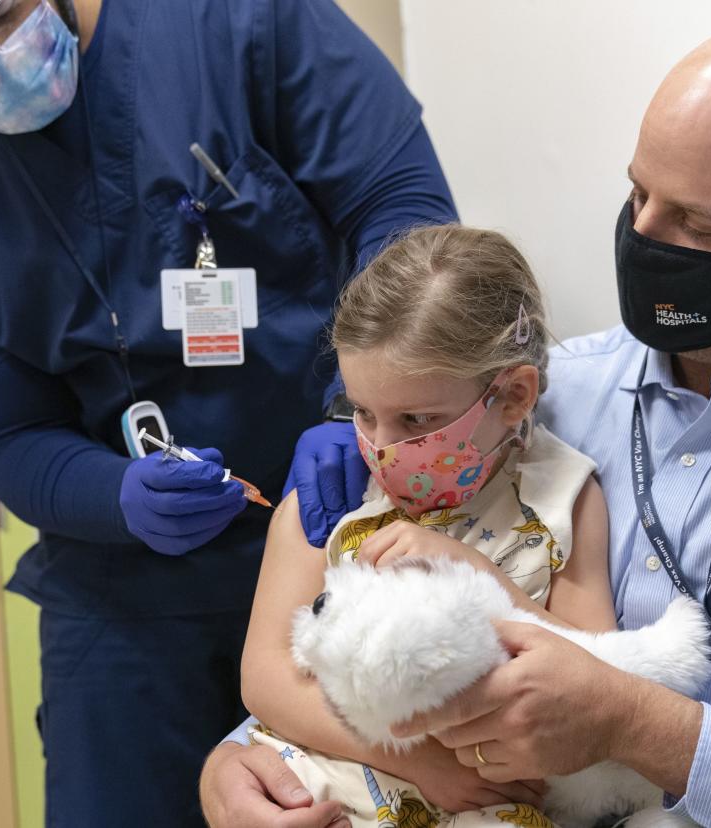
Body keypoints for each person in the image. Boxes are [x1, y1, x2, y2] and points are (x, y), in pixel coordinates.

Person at [200, 17, 711, 827]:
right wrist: (240, 764)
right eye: (638, 193)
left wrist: (636, 723)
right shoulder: (525, 398)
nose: (646, 237)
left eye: (699, 225)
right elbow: (363, 641)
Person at [0, 0, 456, 823]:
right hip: (124, 601)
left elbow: (403, 205)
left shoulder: (238, 24)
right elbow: (9, 436)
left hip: (340, 530)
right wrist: (117, 496)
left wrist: (358, 410)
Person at [242, 224, 622, 825]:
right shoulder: (333, 496)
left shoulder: (563, 499)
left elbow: (603, 675)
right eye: (361, 411)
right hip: (331, 787)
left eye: (418, 419)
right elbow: (264, 678)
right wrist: (418, 760)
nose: (382, 447)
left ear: (513, 397)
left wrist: (483, 581)